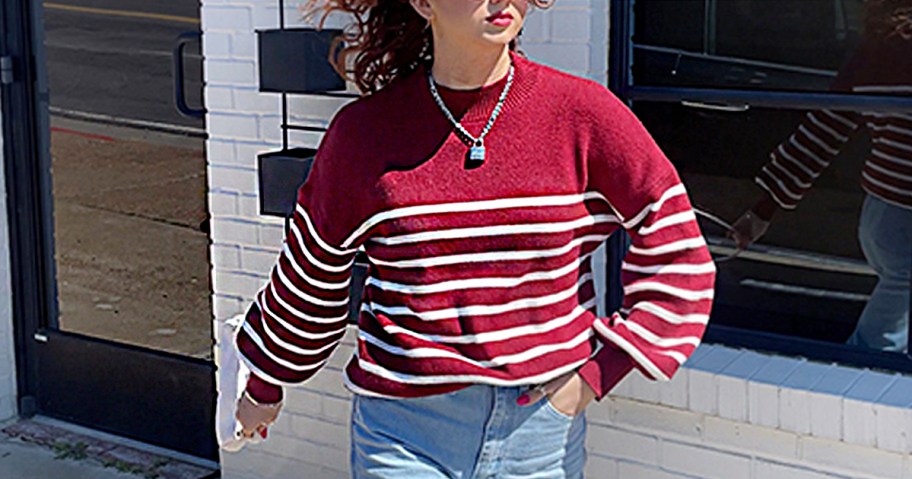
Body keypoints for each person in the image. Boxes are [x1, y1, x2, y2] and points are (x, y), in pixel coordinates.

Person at [234, 0, 716, 476]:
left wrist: (593, 378)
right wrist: (265, 386)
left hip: (541, 434)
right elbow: (309, 278)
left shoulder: (582, 116)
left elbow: (679, 251)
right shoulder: (365, 135)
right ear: (424, 3)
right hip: (405, 435)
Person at [731, 0, 912, 353]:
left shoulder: (872, 51)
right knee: (878, 350)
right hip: (903, 222)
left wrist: (762, 211)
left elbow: (820, 134)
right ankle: (854, 392)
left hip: (881, 219)